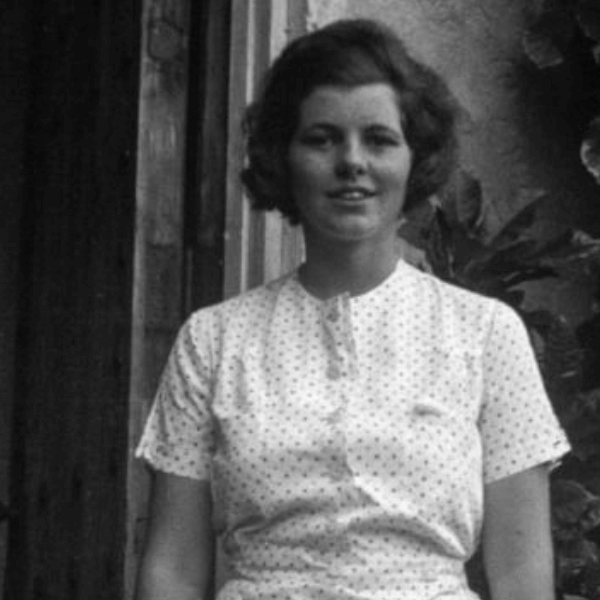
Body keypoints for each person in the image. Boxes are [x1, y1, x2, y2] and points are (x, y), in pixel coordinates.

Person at [134, 18, 570, 600]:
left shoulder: (486, 334)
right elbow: (174, 572)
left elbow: (521, 576)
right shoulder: (213, 341)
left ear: (417, 159)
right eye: (321, 139)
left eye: (380, 139)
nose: (352, 162)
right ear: (283, 157)